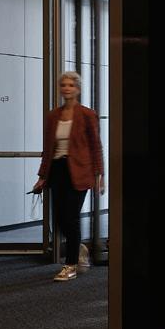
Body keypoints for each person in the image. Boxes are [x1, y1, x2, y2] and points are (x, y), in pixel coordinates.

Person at [32, 71, 104, 282]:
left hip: (79, 171)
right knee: (59, 219)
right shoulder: (53, 116)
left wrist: (100, 175)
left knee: (71, 218)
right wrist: (42, 175)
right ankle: (78, 247)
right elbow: (48, 149)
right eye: (63, 85)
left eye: (71, 85)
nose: (66, 88)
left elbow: (96, 147)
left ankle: (70, 265)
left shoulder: (87, 114)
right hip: (57, 170)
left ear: (78, 89)